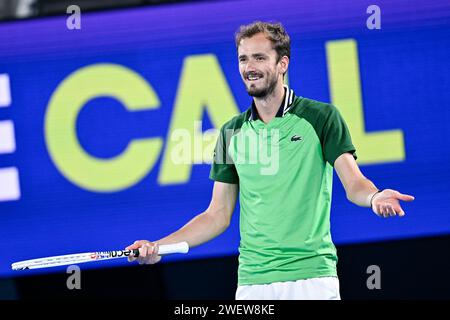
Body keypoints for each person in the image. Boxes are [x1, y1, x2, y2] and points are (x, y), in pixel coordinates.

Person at [126, 21, 415, 300]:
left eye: (259, 58)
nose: (249, 68)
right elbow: (216, 215)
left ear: (282, 64)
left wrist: (375, 196)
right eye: (243, 59)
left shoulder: (321, 117)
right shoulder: (230, 132)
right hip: (253, 284)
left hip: (311, 279)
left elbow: (354, 184)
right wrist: (158, 247)